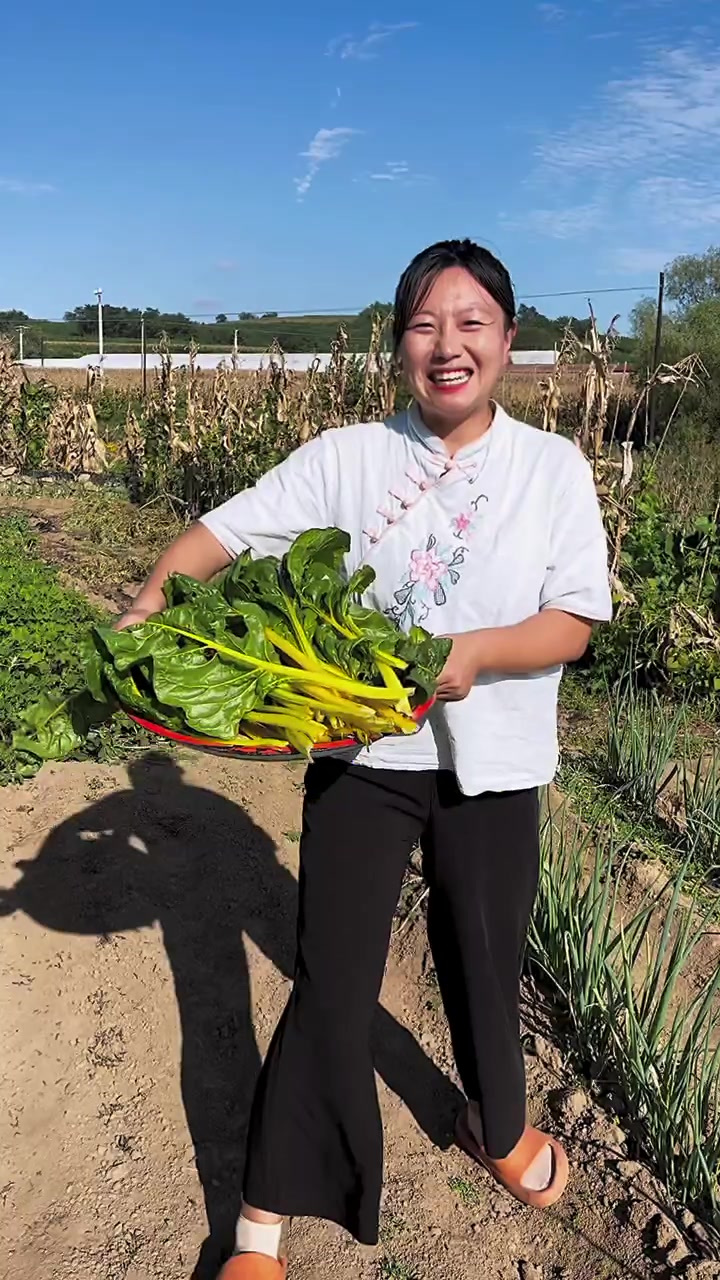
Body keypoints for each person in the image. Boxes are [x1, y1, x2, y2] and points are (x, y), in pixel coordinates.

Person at [118, 239, 612, 1278]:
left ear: (510, 343)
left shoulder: (552, 469)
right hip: (366, 757)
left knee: (486, 955)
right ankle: (262, 1217)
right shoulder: (349, 457)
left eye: (473, 323)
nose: (449, 345)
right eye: (426, 325)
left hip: (498, 761)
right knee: (333, 981)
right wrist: (156, 591)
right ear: (398, 346)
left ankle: (503, 1126)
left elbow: (573, 621)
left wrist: (475, 653)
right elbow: (231, 529)